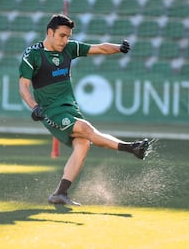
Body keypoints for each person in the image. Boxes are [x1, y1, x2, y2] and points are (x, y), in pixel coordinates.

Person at [18, 14, 149, 206]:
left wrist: (119, 48)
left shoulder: (69, 48)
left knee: (83, 144)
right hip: (51, 110)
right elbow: (23, 86)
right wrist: (34, 106)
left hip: (70, 107)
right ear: (49, 32)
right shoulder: (32, 55)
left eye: (68, 36)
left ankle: (60, 194)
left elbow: (100, 48)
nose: (65, 40)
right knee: (87, 130)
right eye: (62, 35)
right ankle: (131, 147)